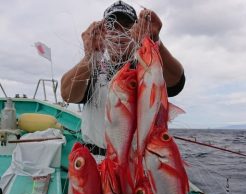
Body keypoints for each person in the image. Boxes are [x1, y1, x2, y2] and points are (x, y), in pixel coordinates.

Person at [60, 1, 185, 153]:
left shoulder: (147, 66)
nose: (119, 34)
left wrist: (154, 41)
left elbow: (176, 81)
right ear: (103, 33)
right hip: (98, 159)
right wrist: (90, 56)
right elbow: (67, 95)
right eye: (112, 27)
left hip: (137, 161)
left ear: (138, 30)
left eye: (127, 26)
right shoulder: (92, 67)